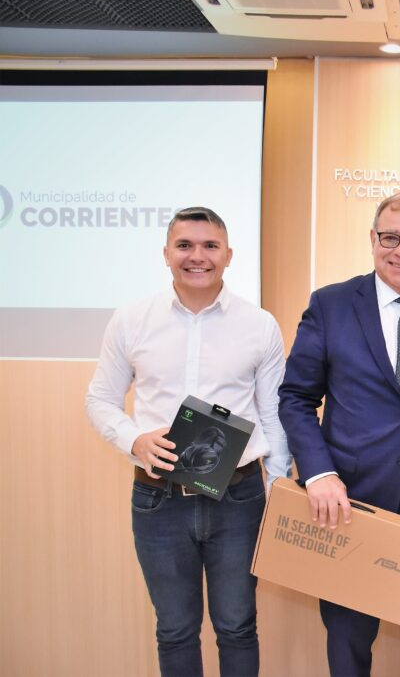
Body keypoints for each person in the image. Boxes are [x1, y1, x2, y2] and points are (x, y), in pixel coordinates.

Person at [85, 206, 292, 677]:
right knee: (175, 630)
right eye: (185, 245)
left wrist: (279, 484)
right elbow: (100, 399)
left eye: (209, 246)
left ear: (228, 255)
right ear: (166, 254)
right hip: (158, 498)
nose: (197, 256)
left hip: (239, 498)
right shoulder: (131, 321)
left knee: (238, 627)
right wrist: (134, 440)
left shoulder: (259, 324)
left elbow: (273, 414)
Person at [278, 192, 400, 677]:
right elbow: (296, 398)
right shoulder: (331, 304)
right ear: (372, 239)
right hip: (349, 500)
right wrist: (318, 473)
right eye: (391, 237)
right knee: (348, 640)